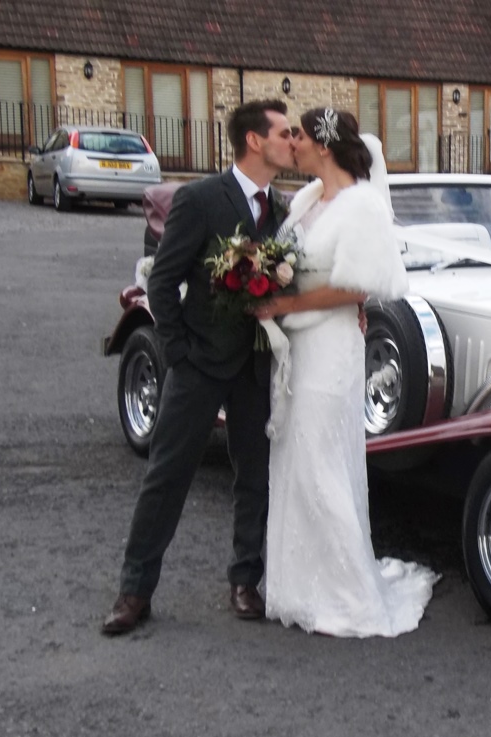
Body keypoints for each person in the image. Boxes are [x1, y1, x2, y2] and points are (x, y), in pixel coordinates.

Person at [101, 99, 296, 635]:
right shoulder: (201, 199)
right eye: (284, 132)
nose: (292, 140)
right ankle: (135, 591)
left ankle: (244, 581)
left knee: (255, 477)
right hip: (198, 365)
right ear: (254, 141)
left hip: (255, 366)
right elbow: (160, 282)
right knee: (167, 476)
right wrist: (179, 351)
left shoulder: (282, 211)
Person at [253, 107, 439, 637]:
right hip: (299, 346)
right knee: (295, 455)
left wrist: (282, 305)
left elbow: (358, 288)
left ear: (324, 147)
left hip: (331, 348)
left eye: (301, 137)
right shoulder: (311, 199)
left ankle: (346, 594)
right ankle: (299, 585)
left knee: (321, 462)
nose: (293, 145)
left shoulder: (360, 206)